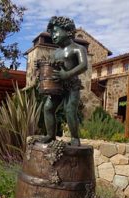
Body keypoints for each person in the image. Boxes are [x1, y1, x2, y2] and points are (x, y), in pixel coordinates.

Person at [39, 16, 88, 146]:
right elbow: (53, 66)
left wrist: (67, 75)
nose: (53, 35)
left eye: (56, 32)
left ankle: (75, 138)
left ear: (68, 32)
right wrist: (42, 66)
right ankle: (50, 135)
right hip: (57, 86)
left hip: (72, 86)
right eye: (52, 33)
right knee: (48, 108)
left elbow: (84, 66)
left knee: (69, 110)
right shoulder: (56, 53)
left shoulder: (78, 49)